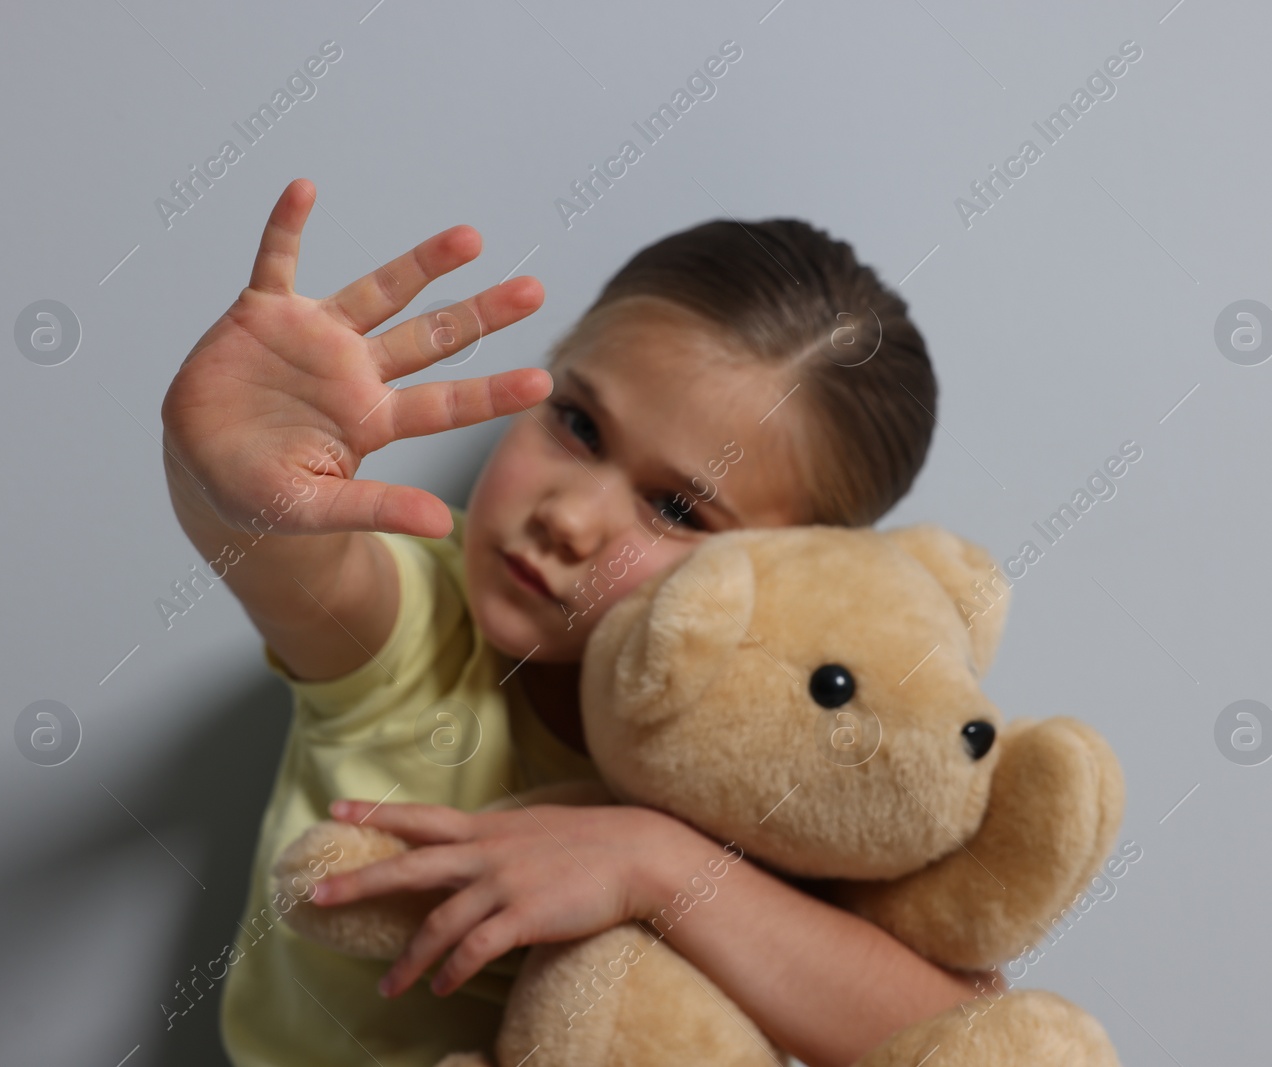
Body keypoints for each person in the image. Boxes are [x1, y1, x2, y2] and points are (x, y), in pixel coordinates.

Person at [160, 178, 997, 1067]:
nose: (569, 517)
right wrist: (219, 481)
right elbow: (296, 562)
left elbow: (973, 1042)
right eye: (579, 424)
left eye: (676, 506)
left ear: (791, 565)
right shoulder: (420, 639)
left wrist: (654, 863)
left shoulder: (797, 752)